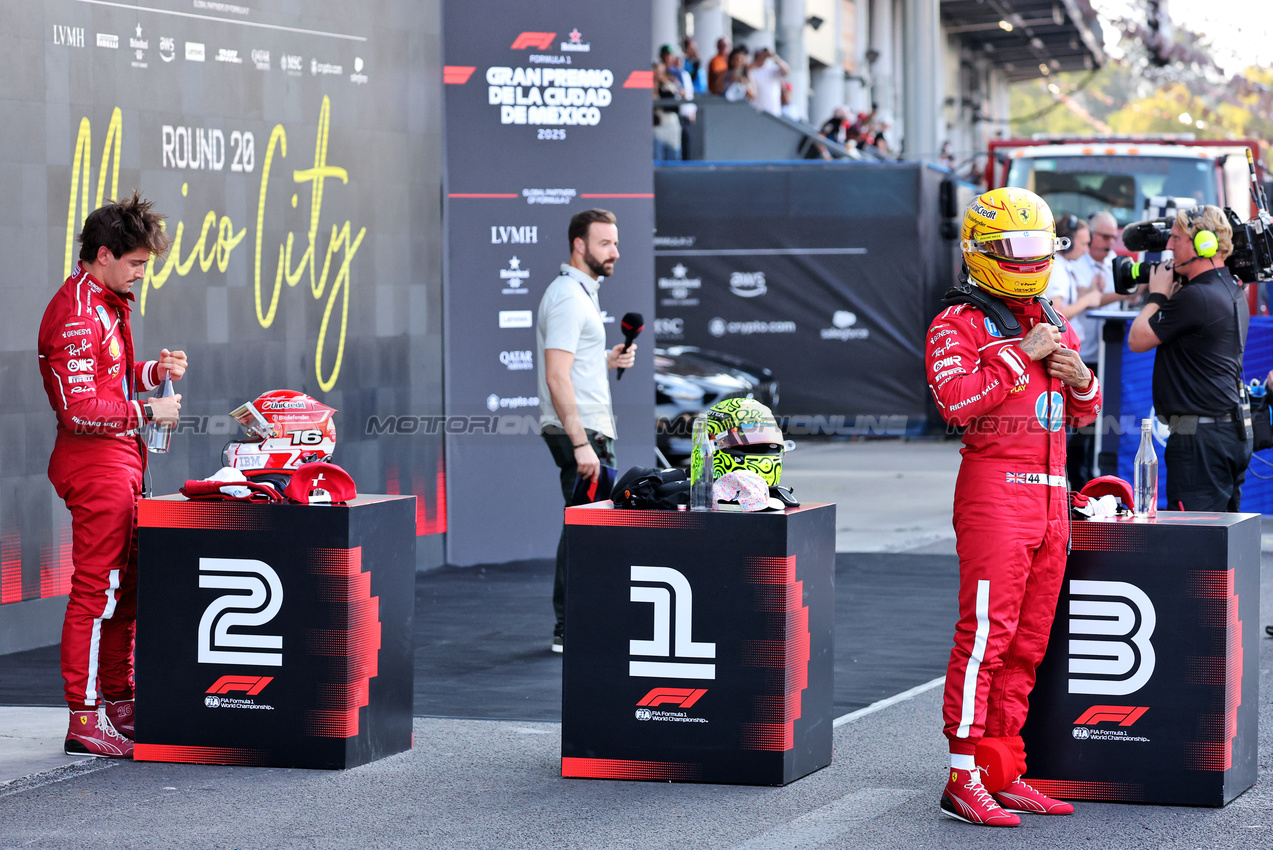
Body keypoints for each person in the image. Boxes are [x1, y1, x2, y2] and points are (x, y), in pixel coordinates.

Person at [927, 187, 1101, 827]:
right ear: (981, 251)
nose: (1030, 259)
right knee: (985, 640)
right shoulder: (958, 322)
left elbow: (1080, 412)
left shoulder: (1049, 314)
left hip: (1055, 499)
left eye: (1038, 247)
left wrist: (1081, 378)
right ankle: (962, 776)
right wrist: (1017, 354)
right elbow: (954, 402)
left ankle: (1005, 769)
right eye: (1016, 249)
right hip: (996, 495)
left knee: (1029, 645)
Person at [38, 192, 185, 758]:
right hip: (95, 464)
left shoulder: (102, 299)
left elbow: (109, 381)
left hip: (121, 460)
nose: (142, 275)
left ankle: (119, 700)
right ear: (104, 254)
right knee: (97, 593)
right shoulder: (77, 310)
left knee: (126, 588)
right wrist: (148, 411)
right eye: (137, 264)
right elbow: (77, 410)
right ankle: (84, 717)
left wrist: (154, 372)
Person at [537, 209, 636, 653]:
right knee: (585, 526)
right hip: (582, 431)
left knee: (588, 524)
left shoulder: (580, 293)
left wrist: (607, 360)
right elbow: (557, 376)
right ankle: (570, 627)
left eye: (615, 243)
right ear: (579, 245)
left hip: (589, 428)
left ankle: (576, 623)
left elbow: (573, 364)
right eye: (604, 244)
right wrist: (580, 443)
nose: (615, 251)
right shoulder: (568, 297)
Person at [1128, 205, 1252, 511]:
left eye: (1176, 238)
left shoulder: (1196, 297)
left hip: (1200, 442)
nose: (1169, 246)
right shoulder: (1232, 288)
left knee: (1194, 545)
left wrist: (1157, 294)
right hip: (1225, 434)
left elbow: (1138, 339)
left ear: (1203, 243)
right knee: (1220, 546)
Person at [1044, 215, 1105, 487]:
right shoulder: (1057, 268)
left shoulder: (1063, 266)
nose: (1085, 249)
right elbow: (1056, 313)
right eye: (1082, 243)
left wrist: (1095, 293)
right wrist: (1088, 300)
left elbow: (1083, 295)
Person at [749, 46, 789, 116]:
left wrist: (774, 56)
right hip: (757, 110)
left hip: (773, 110)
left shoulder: (772, 68)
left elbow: (786, 71)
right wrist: (757, 60)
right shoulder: (751, 71)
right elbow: (745, 71)